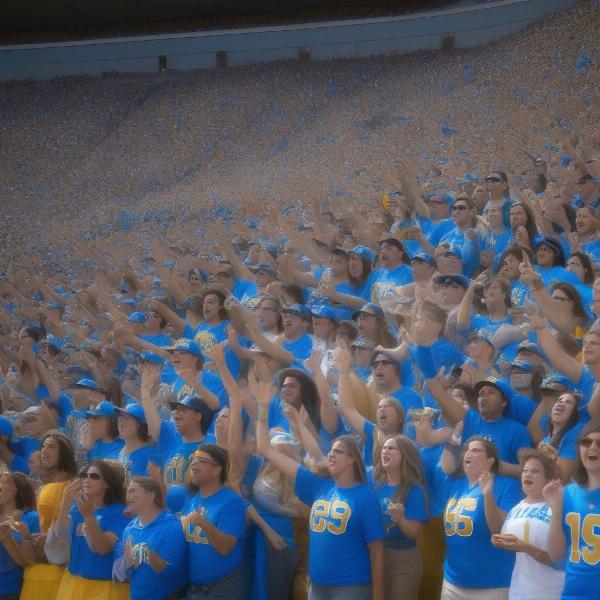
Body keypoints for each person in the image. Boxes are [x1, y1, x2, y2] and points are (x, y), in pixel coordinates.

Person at [255, 381, 385, 600]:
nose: (332, 455)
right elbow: (265, 449)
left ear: (353, 459)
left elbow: (377, 552)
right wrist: (262, 408)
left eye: (339, 452)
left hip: (350, 587)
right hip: (316, 586)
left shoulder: (365, 497)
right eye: (331, 451)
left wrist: (378, 596)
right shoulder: (317, 485)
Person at [437, 436, 523, 599]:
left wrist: (488, 495)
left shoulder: (508, 486)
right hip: (452, 583)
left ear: (490, 461)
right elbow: (444, 466)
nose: (468, 453)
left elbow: (499, 531)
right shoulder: (456, 485)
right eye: (466, 449)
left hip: (490, 586)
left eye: (475, 450)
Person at [48, 460, 130, 600]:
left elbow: (103, 548)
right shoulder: (78, 507)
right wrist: (66, 503)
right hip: (73, 583)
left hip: (102, 588)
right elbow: (60, 532)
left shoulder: (120, 513)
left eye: (94, 476)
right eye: (84, 475)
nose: (87, 480)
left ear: (107, 483)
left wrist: (88, 516)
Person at [492, 449, 565, 600]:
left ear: (548, 477)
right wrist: (501, 542)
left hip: (553, 593)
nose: (527, 474)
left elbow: (560, 561)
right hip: (520, 592)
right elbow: (510, 543)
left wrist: (525, 547)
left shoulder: (559, 508)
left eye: (535, 471)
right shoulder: (516, 509)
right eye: (524, 470)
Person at [542, 422, 600, 600]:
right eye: (586, 442)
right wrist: (557, 510)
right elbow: (555, 554)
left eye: (599, 443)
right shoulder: (567, 494)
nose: (592, 448)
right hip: (572, 593)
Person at [180, 445, 246, 599]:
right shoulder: (193, 499)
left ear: (217, 470)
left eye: (201, 461)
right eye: (193, 459)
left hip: (219, 587)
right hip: (193, 587)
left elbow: (225, 547)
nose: (194, 464)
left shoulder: (231, 502)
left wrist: (203, 524)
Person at [20, 431, 78, 600]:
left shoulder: (75, 486)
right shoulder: (44, 487)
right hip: (43, 565)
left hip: (64, 569)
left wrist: (52, 537)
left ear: (65, 453)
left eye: (52, 447)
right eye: (43, 446)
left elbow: (77, 525)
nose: (45, 451)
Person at [371, 434, 428, 600]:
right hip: (376, 555)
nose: (385, 451)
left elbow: (413, 533)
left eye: (391, 448)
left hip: (403, 559)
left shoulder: (414, 489)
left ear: (405, 455)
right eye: (384, 448)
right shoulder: (374, 485)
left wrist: (401, 519)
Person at [113, 477, 187, 600]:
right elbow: (120, 575)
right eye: (128, 492)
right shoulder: (129, 529)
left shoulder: (172, 527)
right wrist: (127, 560)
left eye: (132, 491)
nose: (128, 496)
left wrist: (147, 553)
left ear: (151, 495)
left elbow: (171, 573)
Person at [0, 472, 39, 600]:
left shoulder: (31, 517)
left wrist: (9, 537)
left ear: (17, 489)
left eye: (4, 481)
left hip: (10, 590)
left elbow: (30, 562)